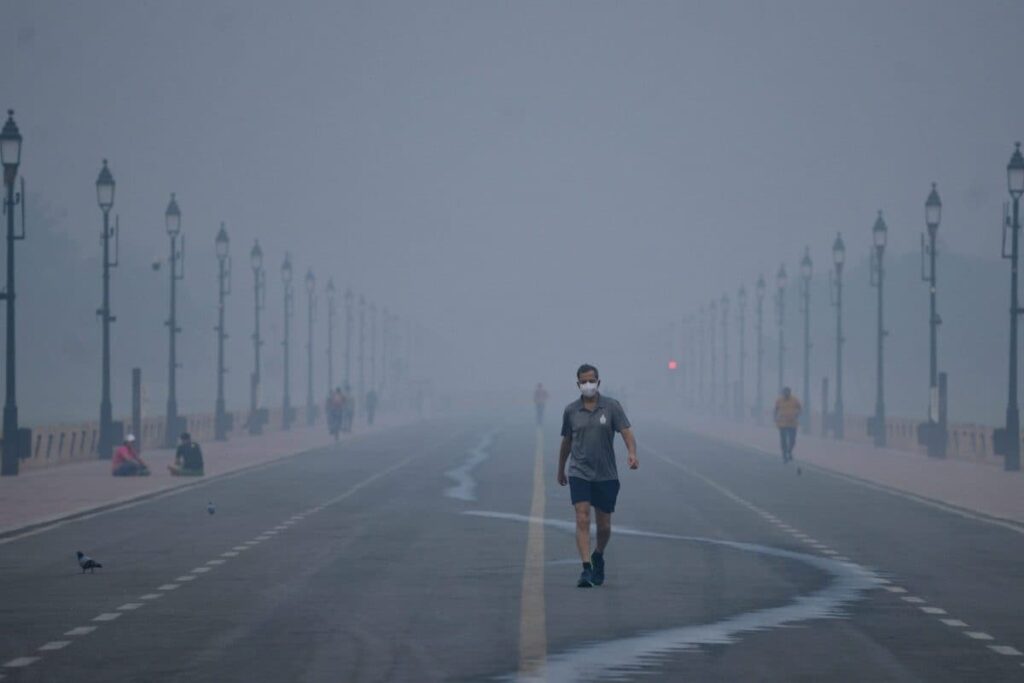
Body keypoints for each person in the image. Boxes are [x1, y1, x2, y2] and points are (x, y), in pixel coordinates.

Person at [557, 364, 638, 588]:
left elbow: (626, 432)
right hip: (579, 472)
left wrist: (632, 453)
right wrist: (561, 468)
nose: (588, 385)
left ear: (598, 382)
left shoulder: (611, 407)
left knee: (604, 526)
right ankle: (586, 568)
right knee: (582, 517)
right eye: (583, 381)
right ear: (578, 384)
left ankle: (598, 555)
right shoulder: (571, 411)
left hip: (605, 474)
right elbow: (566, 442)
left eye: (591, 380)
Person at [774, 386, 802, 463]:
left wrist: (796, 414)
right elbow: (776, 410)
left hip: (792, 423)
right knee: (783, 441)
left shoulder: (795, 400)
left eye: (788, 392)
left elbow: (799, 409)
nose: (786, 394)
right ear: (783, 393)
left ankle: (789, 451)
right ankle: (784, 455)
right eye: (785, 392)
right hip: (782, 424)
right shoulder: (779, 400)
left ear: (790, 393)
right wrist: (775, 418)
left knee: (792, 440)